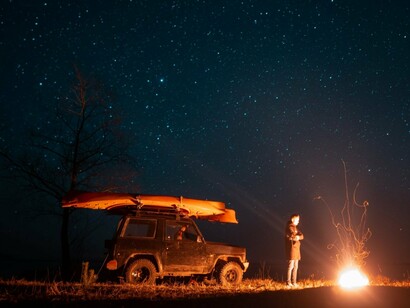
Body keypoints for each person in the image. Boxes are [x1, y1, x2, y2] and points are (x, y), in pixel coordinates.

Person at [285, 213, 304, 287]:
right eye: (297, 220)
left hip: (296, 250)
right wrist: (295, 236)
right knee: (291, 266)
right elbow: (291, 234)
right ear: (293, 220)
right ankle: (288, 282)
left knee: (296, 267)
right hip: (292, 250)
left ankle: (294, 282)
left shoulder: (295, 227)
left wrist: (298, 237)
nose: (298, 221)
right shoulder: (289, 227)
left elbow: (302, 235)